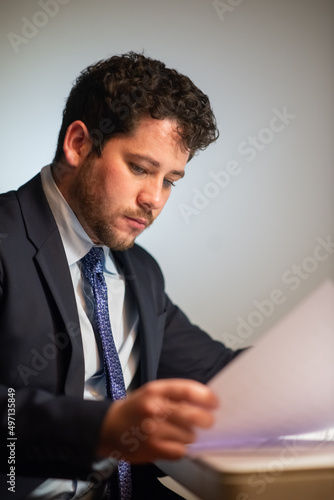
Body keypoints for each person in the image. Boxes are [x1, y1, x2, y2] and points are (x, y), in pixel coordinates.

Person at [0, 52, 242, 499]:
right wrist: (102, 429)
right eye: (140, 168)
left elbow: (218, 375)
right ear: (78, 144)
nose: (155, 199)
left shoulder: (142, 272)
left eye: (170, 180)